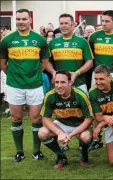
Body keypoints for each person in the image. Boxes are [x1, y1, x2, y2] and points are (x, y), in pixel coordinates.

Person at [0, 9, 51, 162]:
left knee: (36, 118)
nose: (21, 22)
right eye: (18, 19)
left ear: (30, 20)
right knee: (16, 118)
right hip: (14, 85)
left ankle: (36, 151)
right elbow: (3, 65)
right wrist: (16, 76)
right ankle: (19, 152)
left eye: (24, 19)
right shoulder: (7, 40)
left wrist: (32, 75)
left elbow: (44, 63)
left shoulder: (39, 40)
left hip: (35, 85)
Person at [38, 70, 93, 168]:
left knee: (86, 136)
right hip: (61, 123)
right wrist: (60, 133)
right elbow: (45, 119)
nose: (59, 85)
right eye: (57, 82)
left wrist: (71, 135)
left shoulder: (81, 95)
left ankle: (84, 155)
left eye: (63, 82)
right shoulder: (49, 96)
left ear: (70, 82)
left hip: (79, 125)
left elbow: (89, 119)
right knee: (42, 133)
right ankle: (61, 156)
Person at [88, 65, 113, 171]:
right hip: (109, 122)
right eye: (96, 79)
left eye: (101, 79)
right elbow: (98, 117)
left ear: (109, 77)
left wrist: (101, 124)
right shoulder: (92, 92)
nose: (98, 82)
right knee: (111, 161)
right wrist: (104, 118)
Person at [47, 13, 94, 93]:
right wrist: (53, 72)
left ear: (73, 25)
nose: (63, 26)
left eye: (66, 23)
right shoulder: (52, 43)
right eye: (61, 23)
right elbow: (47, 62)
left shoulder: (82, 42)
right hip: (59, 85)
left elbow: (90, 62)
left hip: (79, 84)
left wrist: (76, 73)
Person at [89, 10, 113, 86]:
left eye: (107, 21)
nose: (104, 24)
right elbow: (90, 56)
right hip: (98, 74)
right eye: (102, 21)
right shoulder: (94, 36)